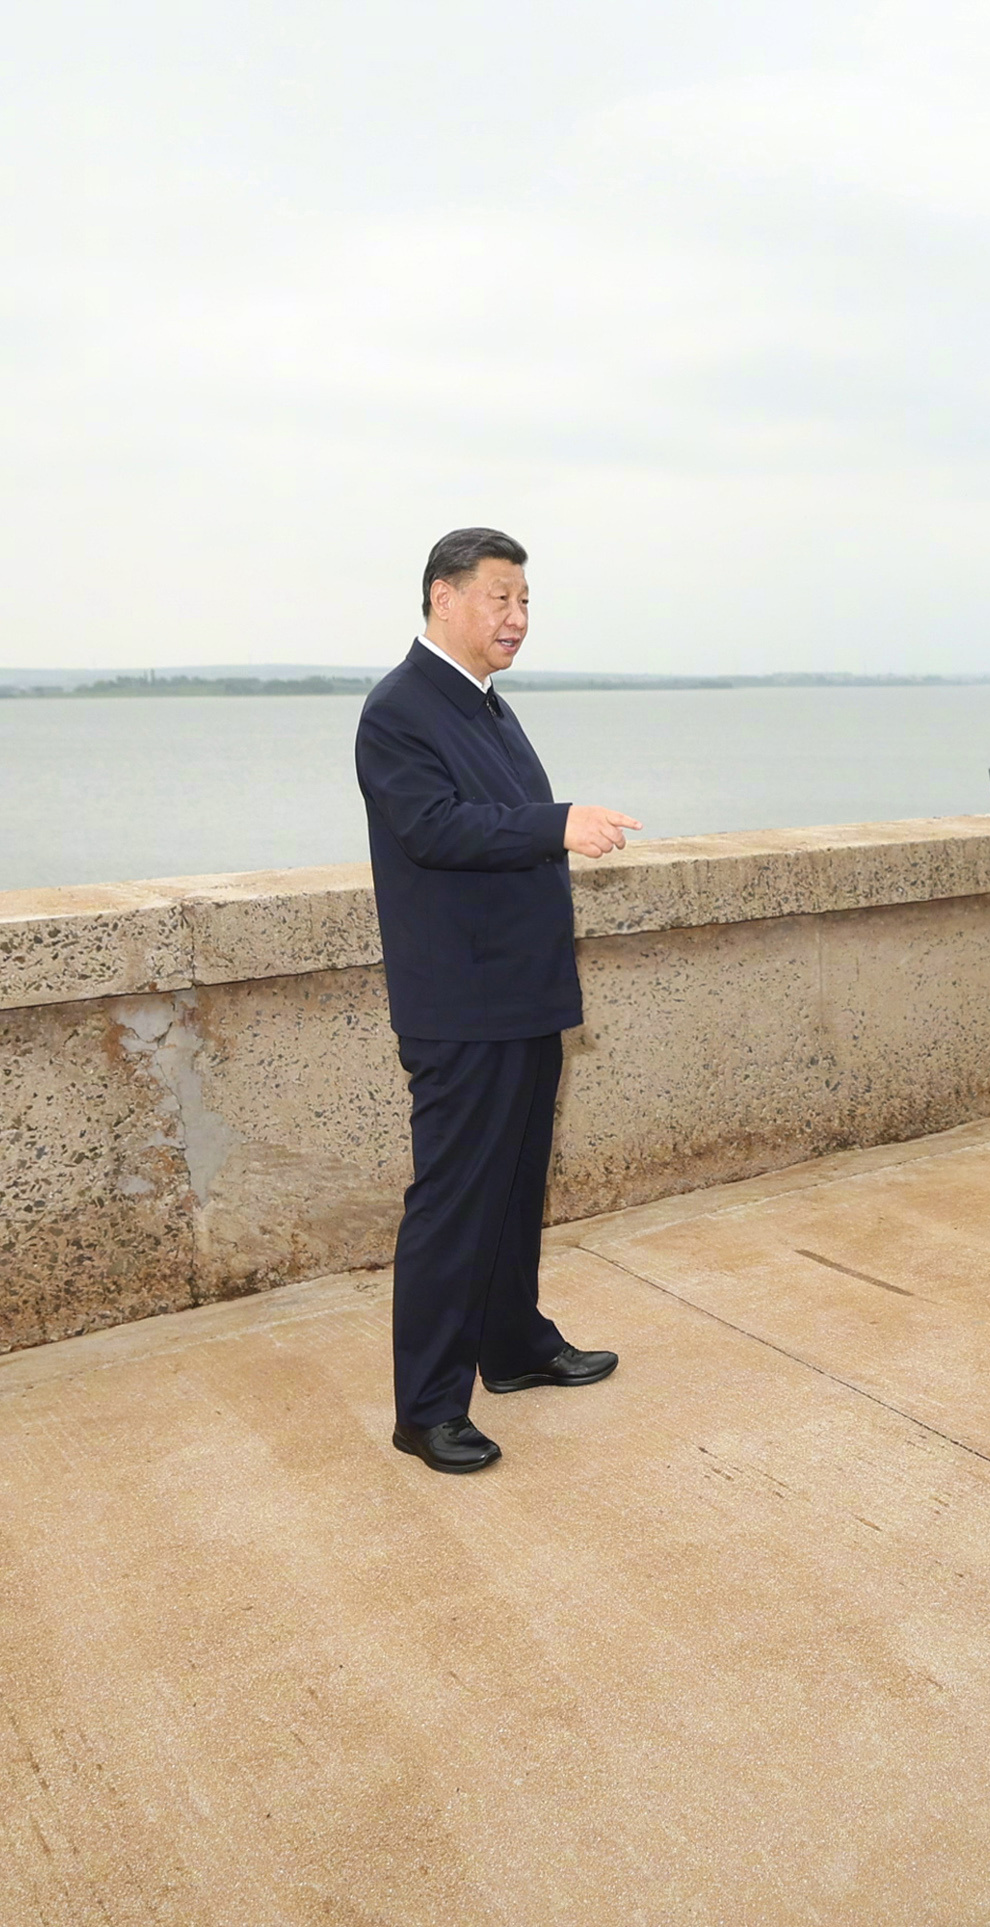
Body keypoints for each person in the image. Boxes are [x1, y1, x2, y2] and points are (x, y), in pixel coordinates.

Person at [355, 528, 642, 1474]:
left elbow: (495, 827)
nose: (516, 619)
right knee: (454, 1204)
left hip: (520, 993)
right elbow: (436, 829)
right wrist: (560, 823)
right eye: (499, 598)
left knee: (517, 1188)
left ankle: (513, 1344)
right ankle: (427, 1408)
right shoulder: (398, 710)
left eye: (525, 602)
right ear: (444, 598)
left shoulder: (485, 704)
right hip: (462, 1004)